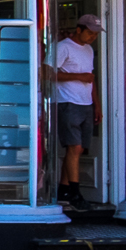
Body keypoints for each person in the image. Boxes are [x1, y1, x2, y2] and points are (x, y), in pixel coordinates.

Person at [46, 15, 102, 210]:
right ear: (78, 29)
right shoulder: (63, 47)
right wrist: (78, 76)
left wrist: (97, 104)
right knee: (73, 147)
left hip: (85, 102)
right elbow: (46, 72)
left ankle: (64, 188)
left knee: (77, 149)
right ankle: (75, 194)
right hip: (66, 101)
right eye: (90, 32)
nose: (93, 37)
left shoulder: (88, 50)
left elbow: (91, 78)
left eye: (95, 34)